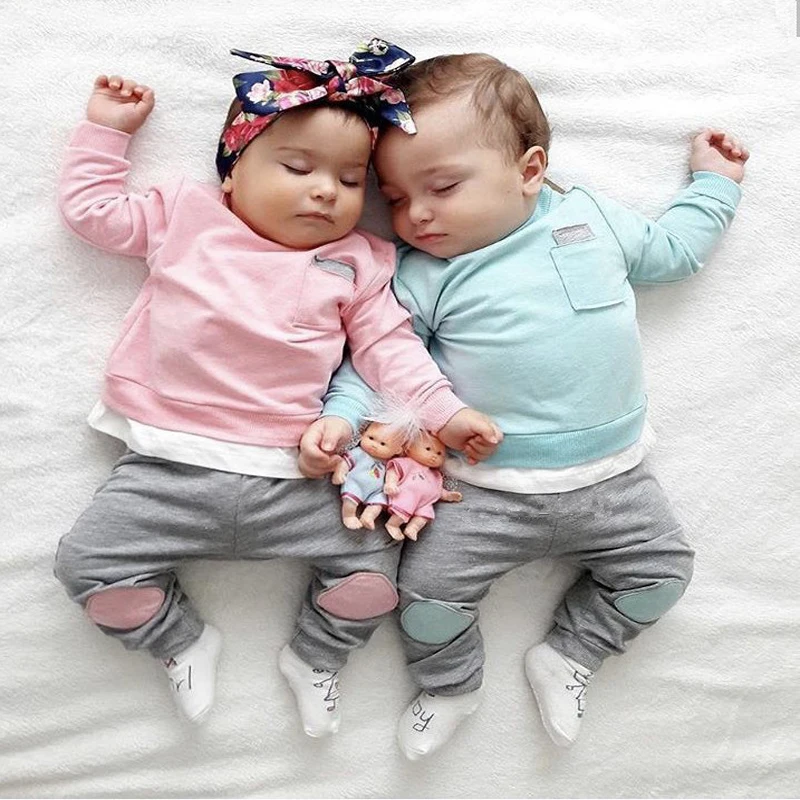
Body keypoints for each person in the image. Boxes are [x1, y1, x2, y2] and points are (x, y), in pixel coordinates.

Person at [298, 53, 748, 757]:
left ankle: (571, 654)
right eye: (396, 197)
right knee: (426, 604)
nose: (417, 214)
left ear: (530, 170)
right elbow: (379, 361)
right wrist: (339, 414)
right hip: (482, 493)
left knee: (663, 577)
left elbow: (672, 253)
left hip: (613, 482)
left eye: (443, 187)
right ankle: (450, 686)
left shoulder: (590, 218)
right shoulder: (422, 276)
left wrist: (714, 186)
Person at [53, 41, 501, 735]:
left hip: (298, 476)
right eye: (297, 167)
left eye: (350, 180)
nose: (325, 190)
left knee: (372, 579)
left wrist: (444, 412)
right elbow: (92, 212)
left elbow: (390, 349)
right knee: (89, 568)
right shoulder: (186, 216)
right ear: (233, 173)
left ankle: (316, 657)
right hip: (166, 469)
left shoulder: (356, 261)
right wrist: (107, 131)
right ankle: (180, 641)